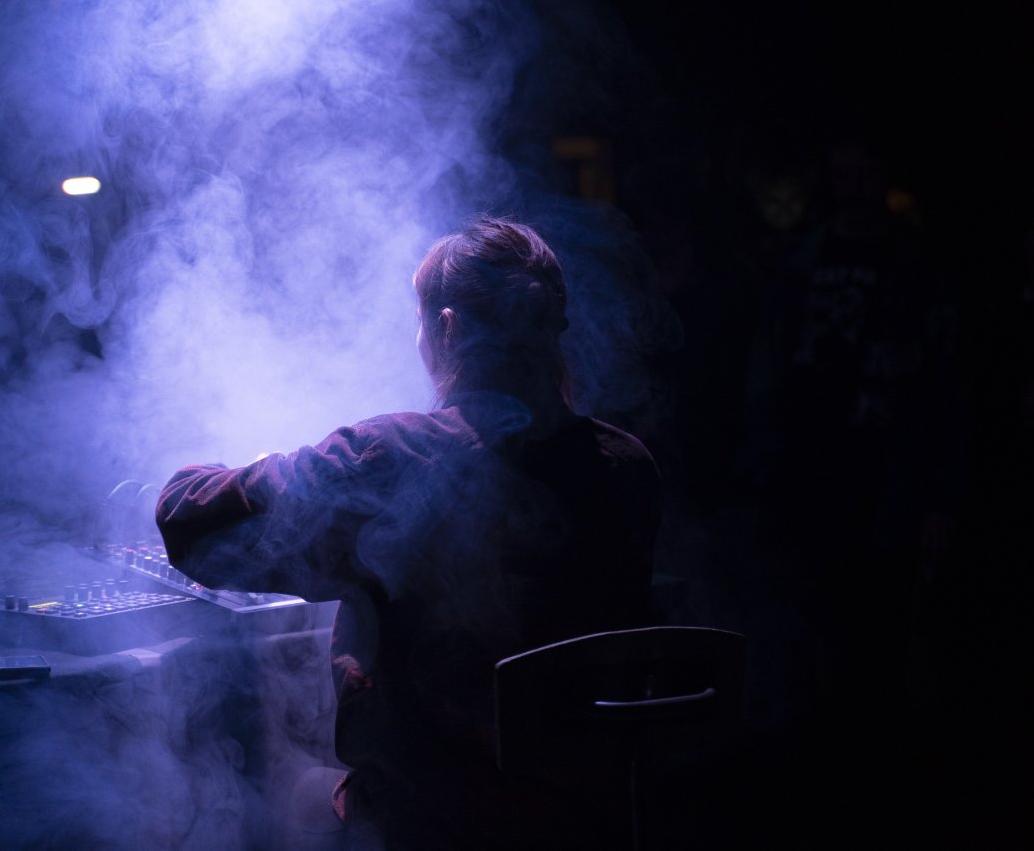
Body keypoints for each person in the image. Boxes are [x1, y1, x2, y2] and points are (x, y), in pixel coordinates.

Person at [156, 217, 663, 849]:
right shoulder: (628, 467)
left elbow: (193, 524)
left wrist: (262, 470)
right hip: (584, 819)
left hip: (431, 822)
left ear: (447, 329)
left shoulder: (391, 456)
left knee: (278, 774)